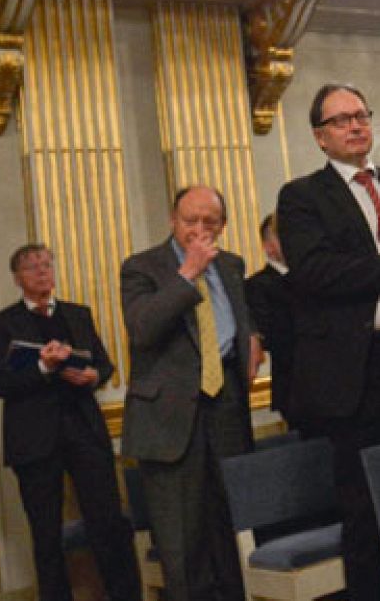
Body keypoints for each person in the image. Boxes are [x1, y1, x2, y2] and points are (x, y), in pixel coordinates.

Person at [276, 83, 380, 601]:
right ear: (320, 137)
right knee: (367, 512)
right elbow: (317, 273)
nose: (356, 126)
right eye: (341, 120)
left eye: (361, 115)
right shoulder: (302, 197)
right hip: (359, 373)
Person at [120, 186, 257, 601]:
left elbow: (237, 319)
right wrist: (188, 273)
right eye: (189, 221)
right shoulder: (142, 267)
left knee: (231, 532)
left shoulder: (231, 265)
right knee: (183, 545)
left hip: (226, 407)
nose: (199, 229)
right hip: (169, 419)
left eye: (209, 222)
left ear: (223, 226)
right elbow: (142, 328)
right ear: (172, 220)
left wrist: (252, 337)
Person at [0, 243, 141, 601]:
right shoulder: (0, 324)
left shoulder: (77, 314)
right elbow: (1, 383)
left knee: (108, 523)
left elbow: (104, 364)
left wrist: (93, 375)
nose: (42, 271)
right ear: (17, 278)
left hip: (84, 431)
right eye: (32, 267)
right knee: (46, 534)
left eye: (46, 264)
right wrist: (44, 366)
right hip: (34, 440)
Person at [245, 214, 299, 429]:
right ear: (269, 246)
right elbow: (271, 336)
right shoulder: (257, 286)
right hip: (294, 386)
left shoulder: (315, 278)